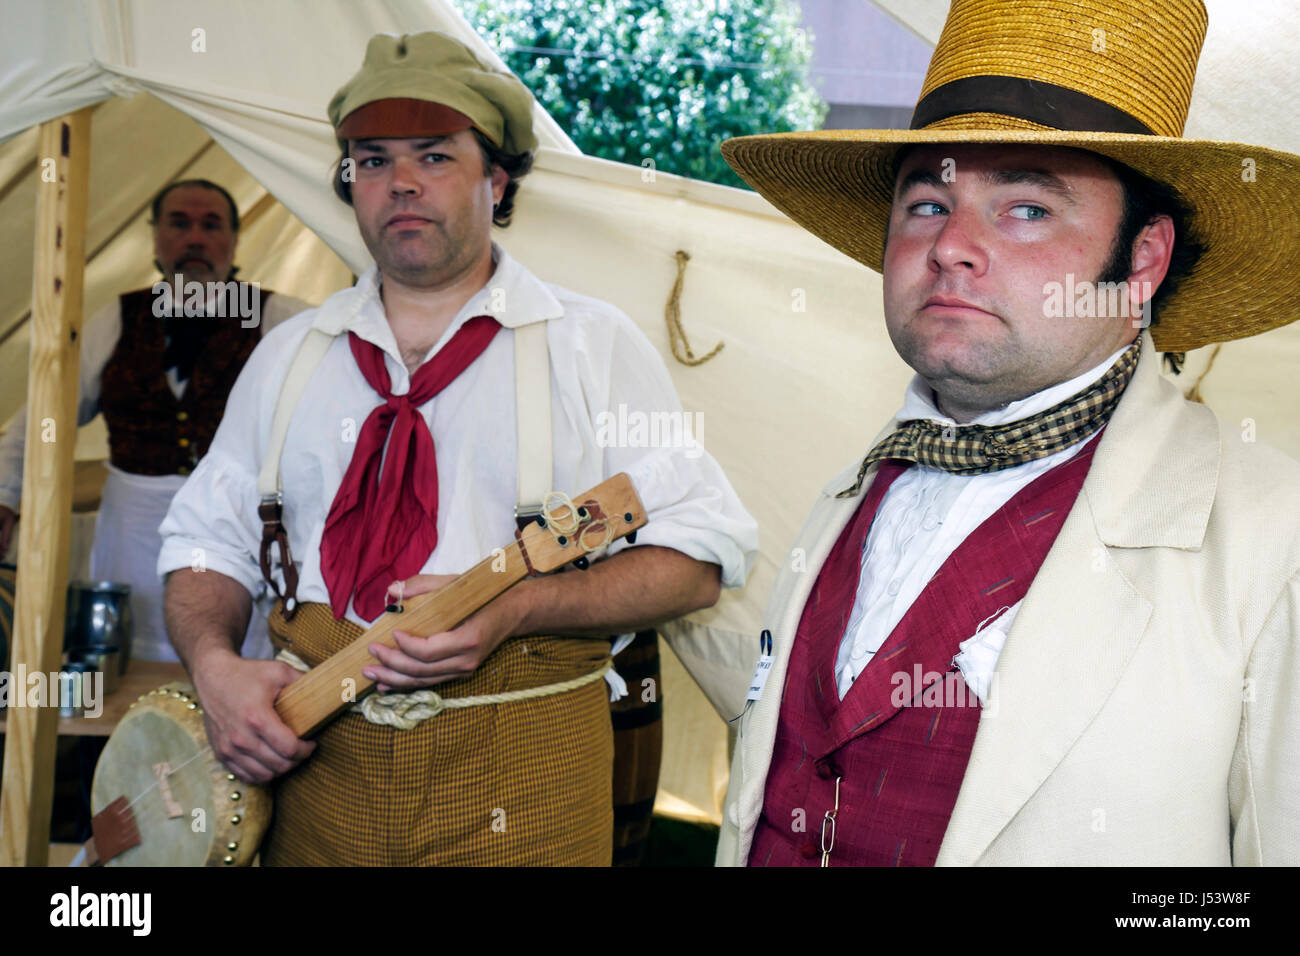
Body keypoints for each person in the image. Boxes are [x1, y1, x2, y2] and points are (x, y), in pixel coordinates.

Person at [715, 0, 1300, 865]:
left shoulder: (1271, 534)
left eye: (1026, 208)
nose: (951, 245)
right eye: (925, 203)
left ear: (1141, 261)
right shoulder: (851, 492)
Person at [156, 30, 758, 866]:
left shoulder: (589, 345)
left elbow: (700, 556)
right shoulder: (290, 355)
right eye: (371, 160)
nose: (399, 182)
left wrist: (518, 607)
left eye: (435, 156)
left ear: (498, 178)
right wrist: (216, 665)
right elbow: (202, 542)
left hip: (528, 784)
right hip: (320, 794)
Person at [0, 179, 312, 662]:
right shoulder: (118, 319)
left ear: (233, 238)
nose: (195, 238)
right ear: (155, 238)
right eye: (179, 223)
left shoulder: (281, 318)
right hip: (133, 526)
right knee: (127, 660)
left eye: (211, 225)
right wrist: (5, 492)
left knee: (227, 656)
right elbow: (45, 415)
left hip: (238, 525)